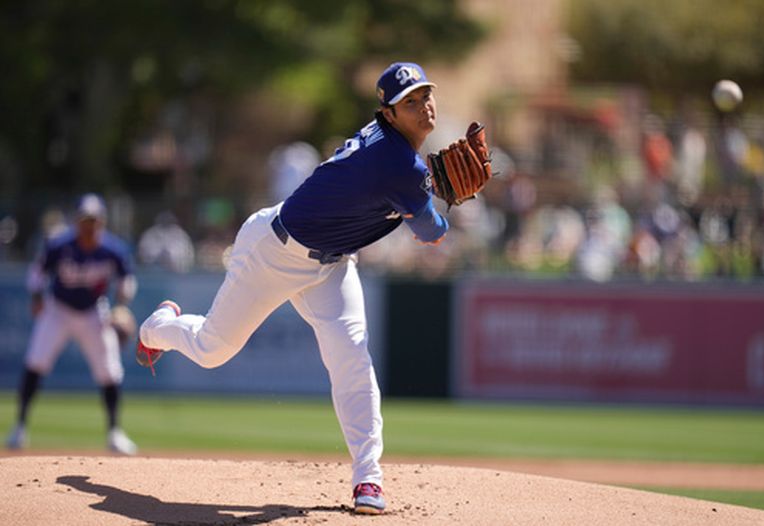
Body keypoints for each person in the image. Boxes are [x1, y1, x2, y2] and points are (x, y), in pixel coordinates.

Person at [136, 62, 448, 514]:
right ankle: (158, 327)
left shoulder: (397, 154)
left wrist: (430, 186)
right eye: (410, 102)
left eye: (425, 95)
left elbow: (408, 195)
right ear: (388, 112)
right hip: (273, 254)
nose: (423, 107)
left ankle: (368, 479)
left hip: (332, 262)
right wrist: (443, 196)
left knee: (351, 356)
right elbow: (431, 231)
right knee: (211, 349)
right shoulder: (396, 161)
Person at [5, 193, 139, 456]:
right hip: (58, 309)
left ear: (102, 222)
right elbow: (37, 273)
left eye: (94, 221)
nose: (90, 226)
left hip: (93, 311)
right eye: (85, 221)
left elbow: (127, 280)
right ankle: (19, 428)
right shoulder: (59, 245)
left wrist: (121, 305)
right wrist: (36, 297)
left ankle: (114, 432)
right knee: (36, 362)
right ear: (76, 222)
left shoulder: (112, 249)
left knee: (109, 371)